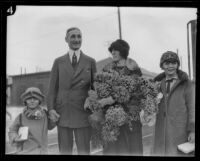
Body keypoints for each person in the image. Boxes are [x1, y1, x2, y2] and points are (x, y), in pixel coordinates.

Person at [47, 27, 97, 155]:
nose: (76, 39)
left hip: (83, 112)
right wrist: (51, 109)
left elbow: (95, 87)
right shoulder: (58, 62)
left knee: (84, 151)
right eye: (73, 36)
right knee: (64, 151)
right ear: (66, 39)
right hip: (63, 112)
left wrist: (92, 99)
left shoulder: (90, 61)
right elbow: (52, 89)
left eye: (79, 36)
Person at [101, 39, 143, 155]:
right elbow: (101, 88)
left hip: (131, 117)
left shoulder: (134, 69)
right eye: (112, 50)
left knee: (133, 149)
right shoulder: (107, 69)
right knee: (113, 149)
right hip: (111, 117)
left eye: (116, 50)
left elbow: (130, 89)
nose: (113, 53)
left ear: (123, 51)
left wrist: (110, 99)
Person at [153, 51, 195, 156]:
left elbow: (192, 108)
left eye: (173, 63)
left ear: (177, 65)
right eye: (167, 63)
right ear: (162, 65)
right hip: (161, 132)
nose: (170, 66)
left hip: (180, 132)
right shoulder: (156, 84)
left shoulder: (186, 83)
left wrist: (192, 130)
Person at [8, 87, 54, 154]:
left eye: (35, 98)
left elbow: (50, 127)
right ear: (25, 101)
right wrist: (15, 137)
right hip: (26, 152)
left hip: (43, 151)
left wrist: (53, 119)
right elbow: (12, 130)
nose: (32, 101)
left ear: (39, 100)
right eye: (29, 99)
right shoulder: (21, 117)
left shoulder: (45, 114)